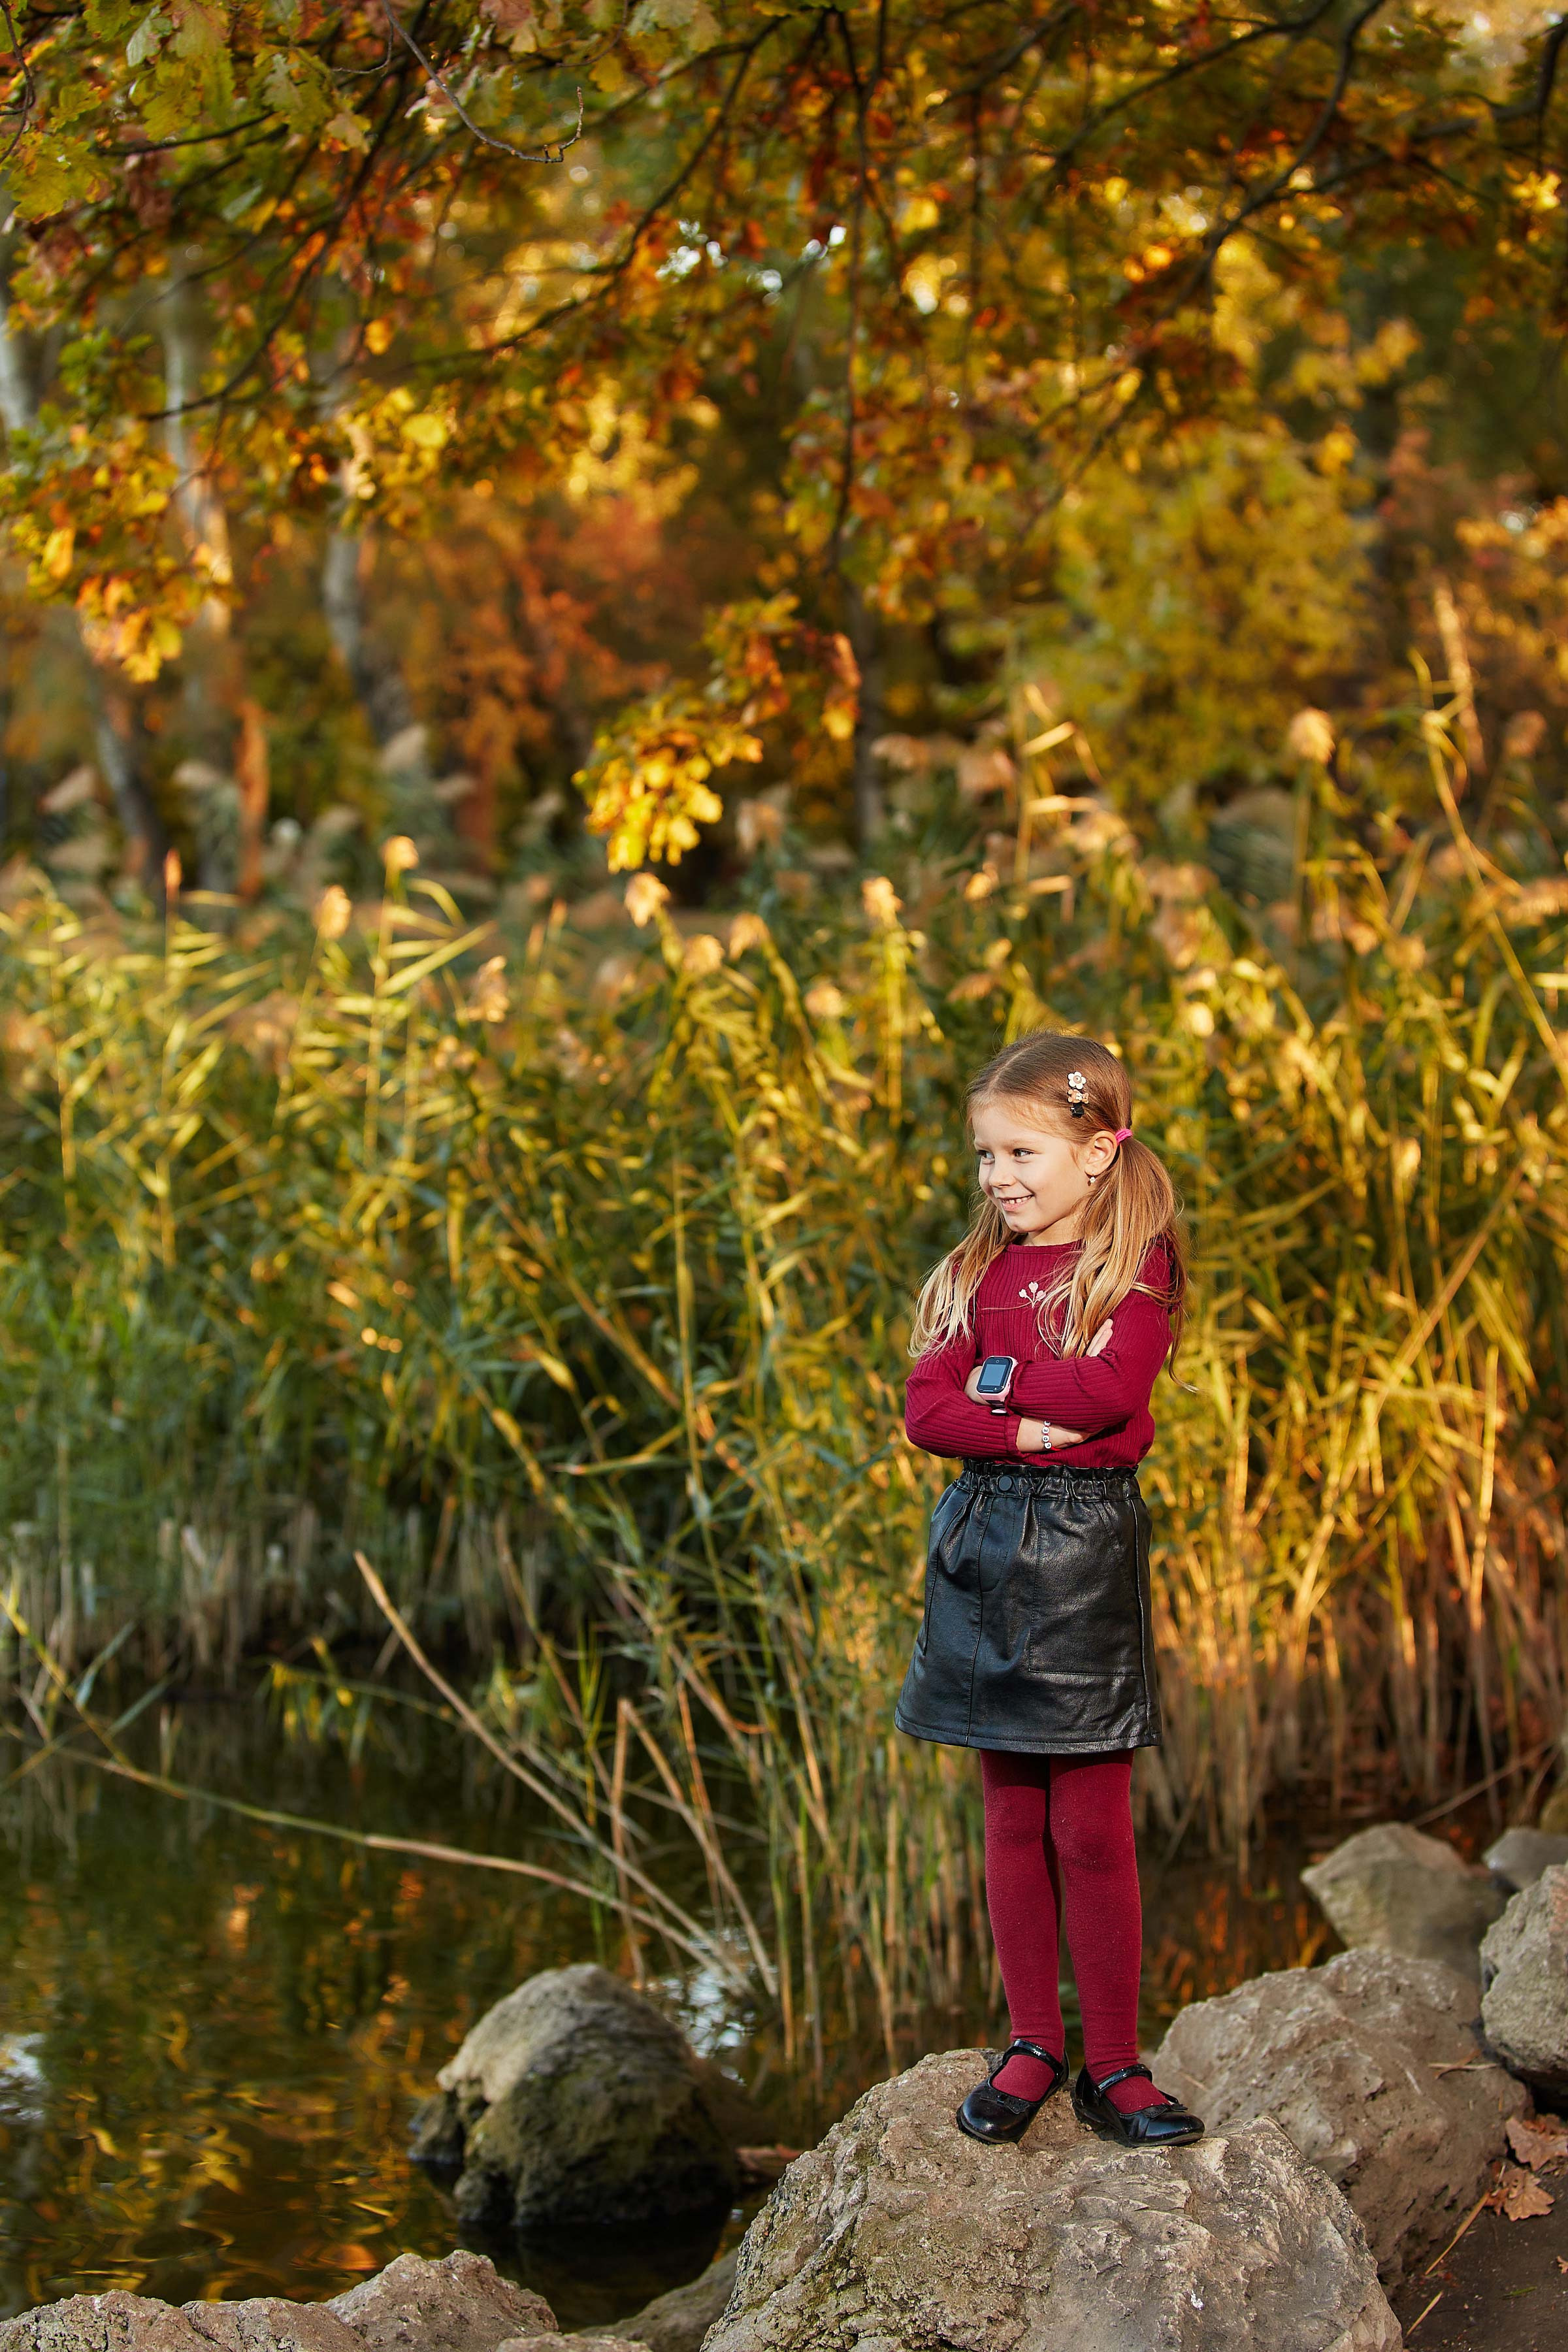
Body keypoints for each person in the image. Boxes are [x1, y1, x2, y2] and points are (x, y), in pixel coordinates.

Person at [896, 1030, 1204, 2150]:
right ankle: (1032, 2043)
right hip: (981, 1543)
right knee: (1009, 1815)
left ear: (1098, 1152)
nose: (999, 1178)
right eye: (985, 1157)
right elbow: (929, 1414)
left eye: (1021, 1153)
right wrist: (1033, 1418)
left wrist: (997, 1390)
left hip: (1082, 1554)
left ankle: (1114, 2064)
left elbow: (1115, 1391)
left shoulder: (1136, 1267)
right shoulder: (974, 1273)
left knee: (1090, 1822)